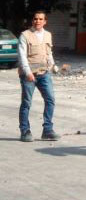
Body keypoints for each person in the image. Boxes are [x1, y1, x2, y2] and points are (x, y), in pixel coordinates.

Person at [18, 11, 60, 142]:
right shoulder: (25, 35)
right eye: (35, 19)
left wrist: (53, 65)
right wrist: (28, 72)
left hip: (44, 73)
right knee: (26, 103)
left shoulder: (48, 35)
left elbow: (49, 53)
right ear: (32, 20)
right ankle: (25, 131)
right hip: (28, 75)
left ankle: (47, 130)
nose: (38, 21)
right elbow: (22, 56)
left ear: (45, 21)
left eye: (41, 19)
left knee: (50, 100)